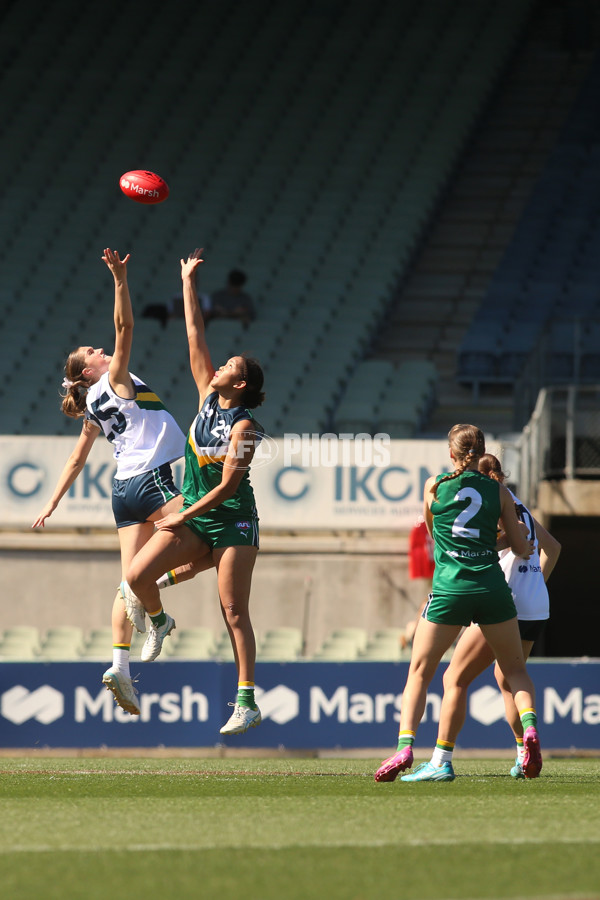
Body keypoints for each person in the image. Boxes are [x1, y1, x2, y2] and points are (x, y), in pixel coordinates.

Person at [32, 248, 210, 716]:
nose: (100, 349)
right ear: (89, 371)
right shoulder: (113, 379)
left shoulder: (91, 406)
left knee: (128, 582)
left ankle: (120, 667)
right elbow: (125, 328)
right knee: (216, 545)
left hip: (122, 493)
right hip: (152, 481)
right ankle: (160, 615)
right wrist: (119, 279)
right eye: (91, 353)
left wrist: (52, 503)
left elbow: (75, 459)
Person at [126, 248, 265, 736]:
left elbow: (229, 486)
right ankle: (161, 619)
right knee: (136, 574)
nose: (219, 364)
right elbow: (193, 332)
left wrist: (182, 515)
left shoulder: (245, 424)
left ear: (240, 381)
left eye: (229, 364)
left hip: (233, 519)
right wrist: (186, 281)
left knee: (232, 611)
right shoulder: (208, 394)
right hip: (196, 513)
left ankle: (246, 701)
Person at [374, 424, 544, 783]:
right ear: (481, 452)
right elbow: (517, 545)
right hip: (492, 590)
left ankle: (406, 748)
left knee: (420, 672)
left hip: (450, 589)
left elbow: (435, 532)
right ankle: (529, 731)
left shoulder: (434, 485)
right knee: (515, 672)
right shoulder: (499, 491)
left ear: (451, 453)